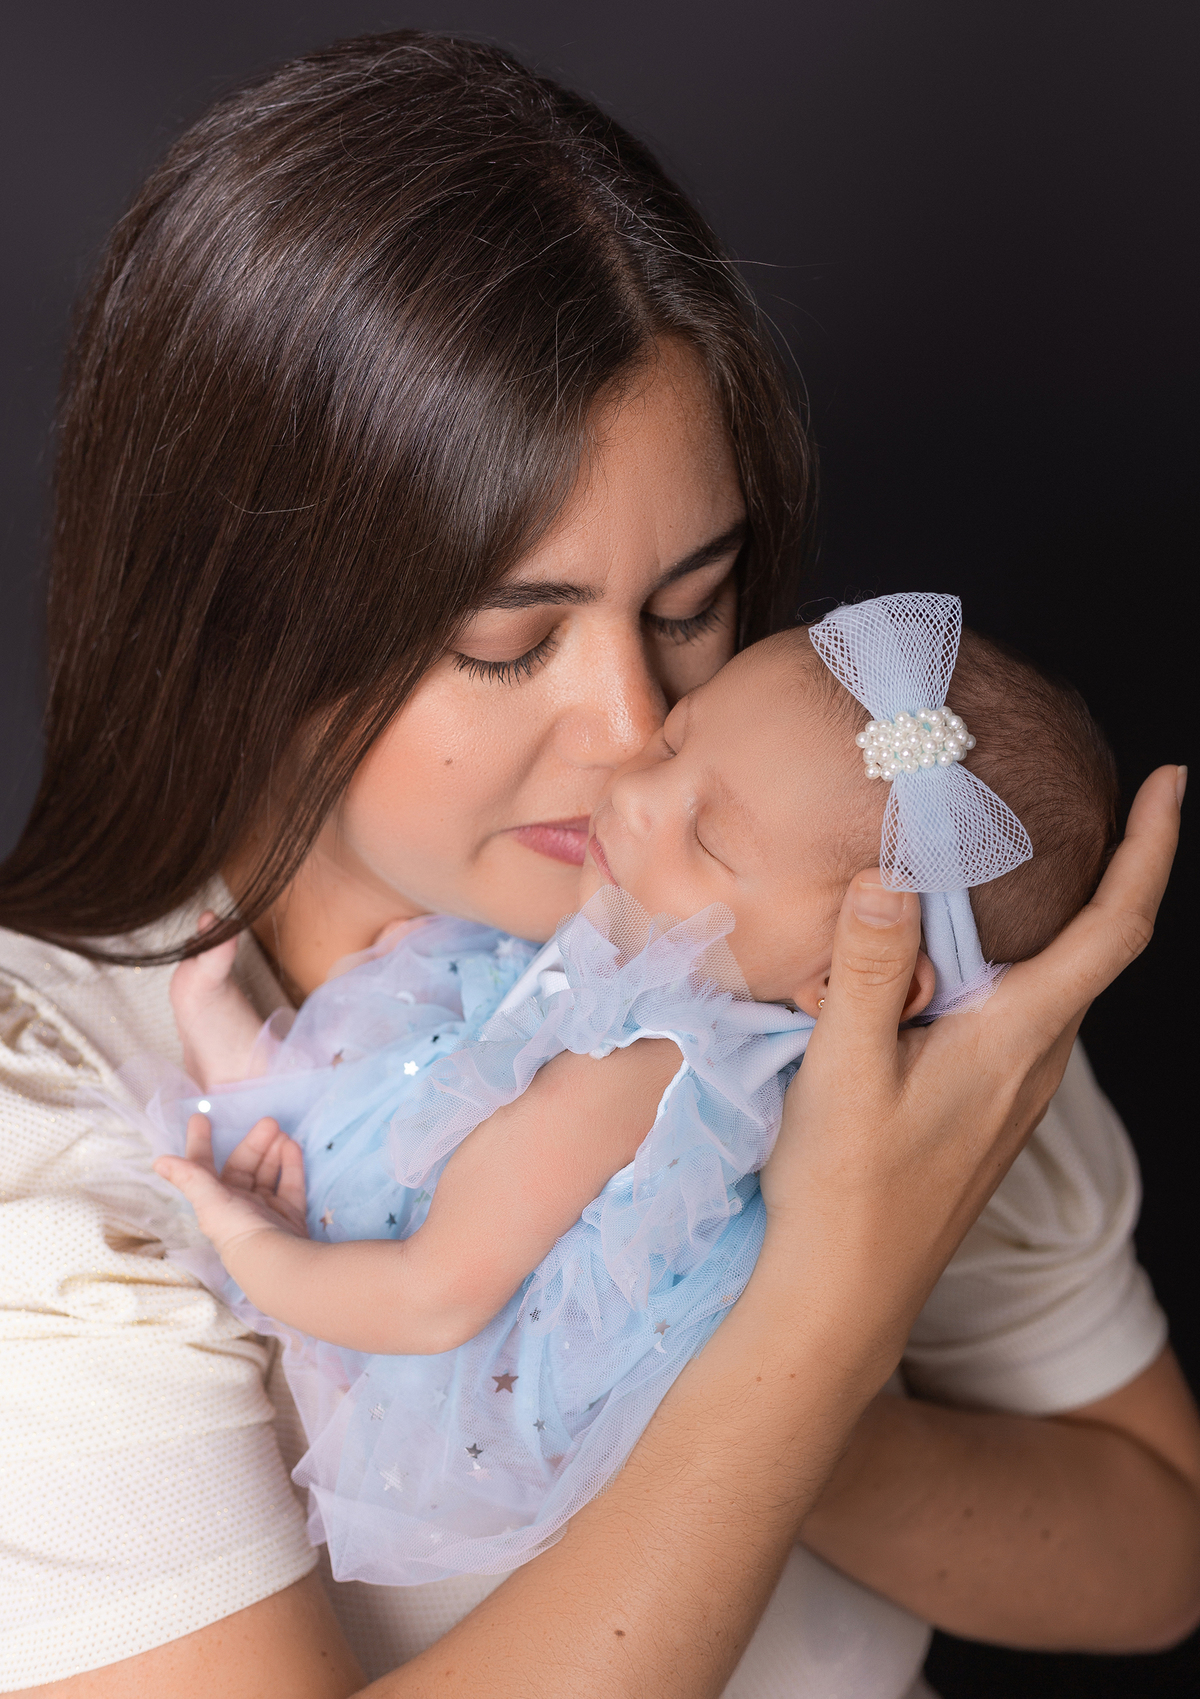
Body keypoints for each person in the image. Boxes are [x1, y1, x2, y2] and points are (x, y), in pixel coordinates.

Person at [0, 28, 1192, 1699]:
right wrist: (813, 1319)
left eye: (691, 607)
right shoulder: (54, 1109)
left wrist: (760, 1331)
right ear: (238, 624)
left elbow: (1153, 1548)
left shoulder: (823, 929)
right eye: (508, 643)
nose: (639, 729)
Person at [147, 595, 1126, 1593]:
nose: (637, 791)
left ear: (844, 977)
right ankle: (273, 1093)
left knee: (364, 1186)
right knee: (445, 1026)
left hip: (437, 1329)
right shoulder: (755, 1045)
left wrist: (248, 1247)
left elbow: (433, 1295)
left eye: (713, 841)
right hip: (494, 1196)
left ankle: (259, 1116)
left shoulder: (640, 1070)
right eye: (674, 741)